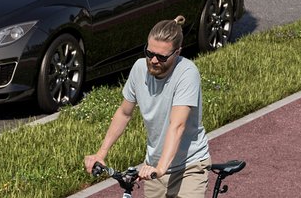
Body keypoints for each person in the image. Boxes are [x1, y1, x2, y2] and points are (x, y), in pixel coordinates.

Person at [86, 17, 210, 198]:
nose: (153, 60)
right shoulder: (139, 69)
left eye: (161, 57)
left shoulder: (187, 73)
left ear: (177, 53)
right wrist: (101, 153)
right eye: (149, 53)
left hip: (188, 167)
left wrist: (161, 169)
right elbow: (124, 113)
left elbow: (177, 126)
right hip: (154, 167)